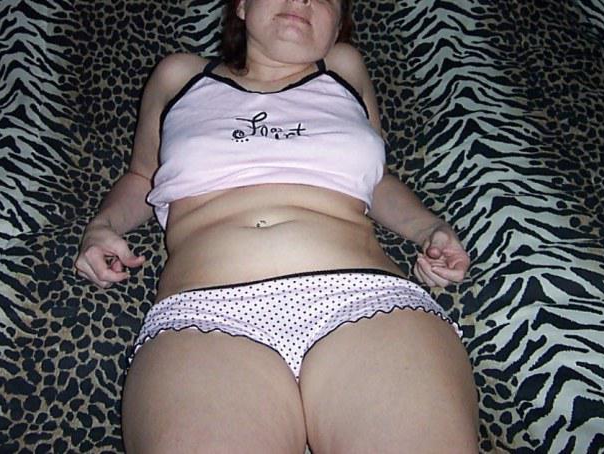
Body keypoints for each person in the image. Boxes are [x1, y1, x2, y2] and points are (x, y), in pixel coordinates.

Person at [76, 0, 479, 452]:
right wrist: (102, 227)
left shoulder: (344, 68)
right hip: (207, 315)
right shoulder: (178, 76)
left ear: (338, 25)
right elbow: (142, 179)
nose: (303, 0)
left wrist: (430, 229)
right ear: (242, 6)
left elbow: (376, 179)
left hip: (365, 300)